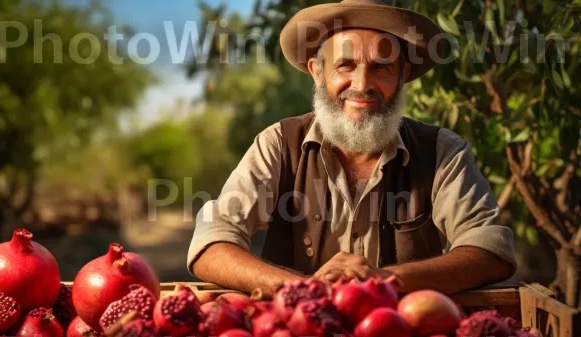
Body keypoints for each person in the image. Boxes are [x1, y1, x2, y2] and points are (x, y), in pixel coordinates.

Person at [187, 0, 516, 297]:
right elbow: (211, 243)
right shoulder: (278, 143)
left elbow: (490, 251)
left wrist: (385, 280)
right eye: (345, 65)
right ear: (318, 73)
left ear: (403, 75)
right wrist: (302, 290)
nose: (361, 85)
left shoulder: (441, 151)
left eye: (381, 67)